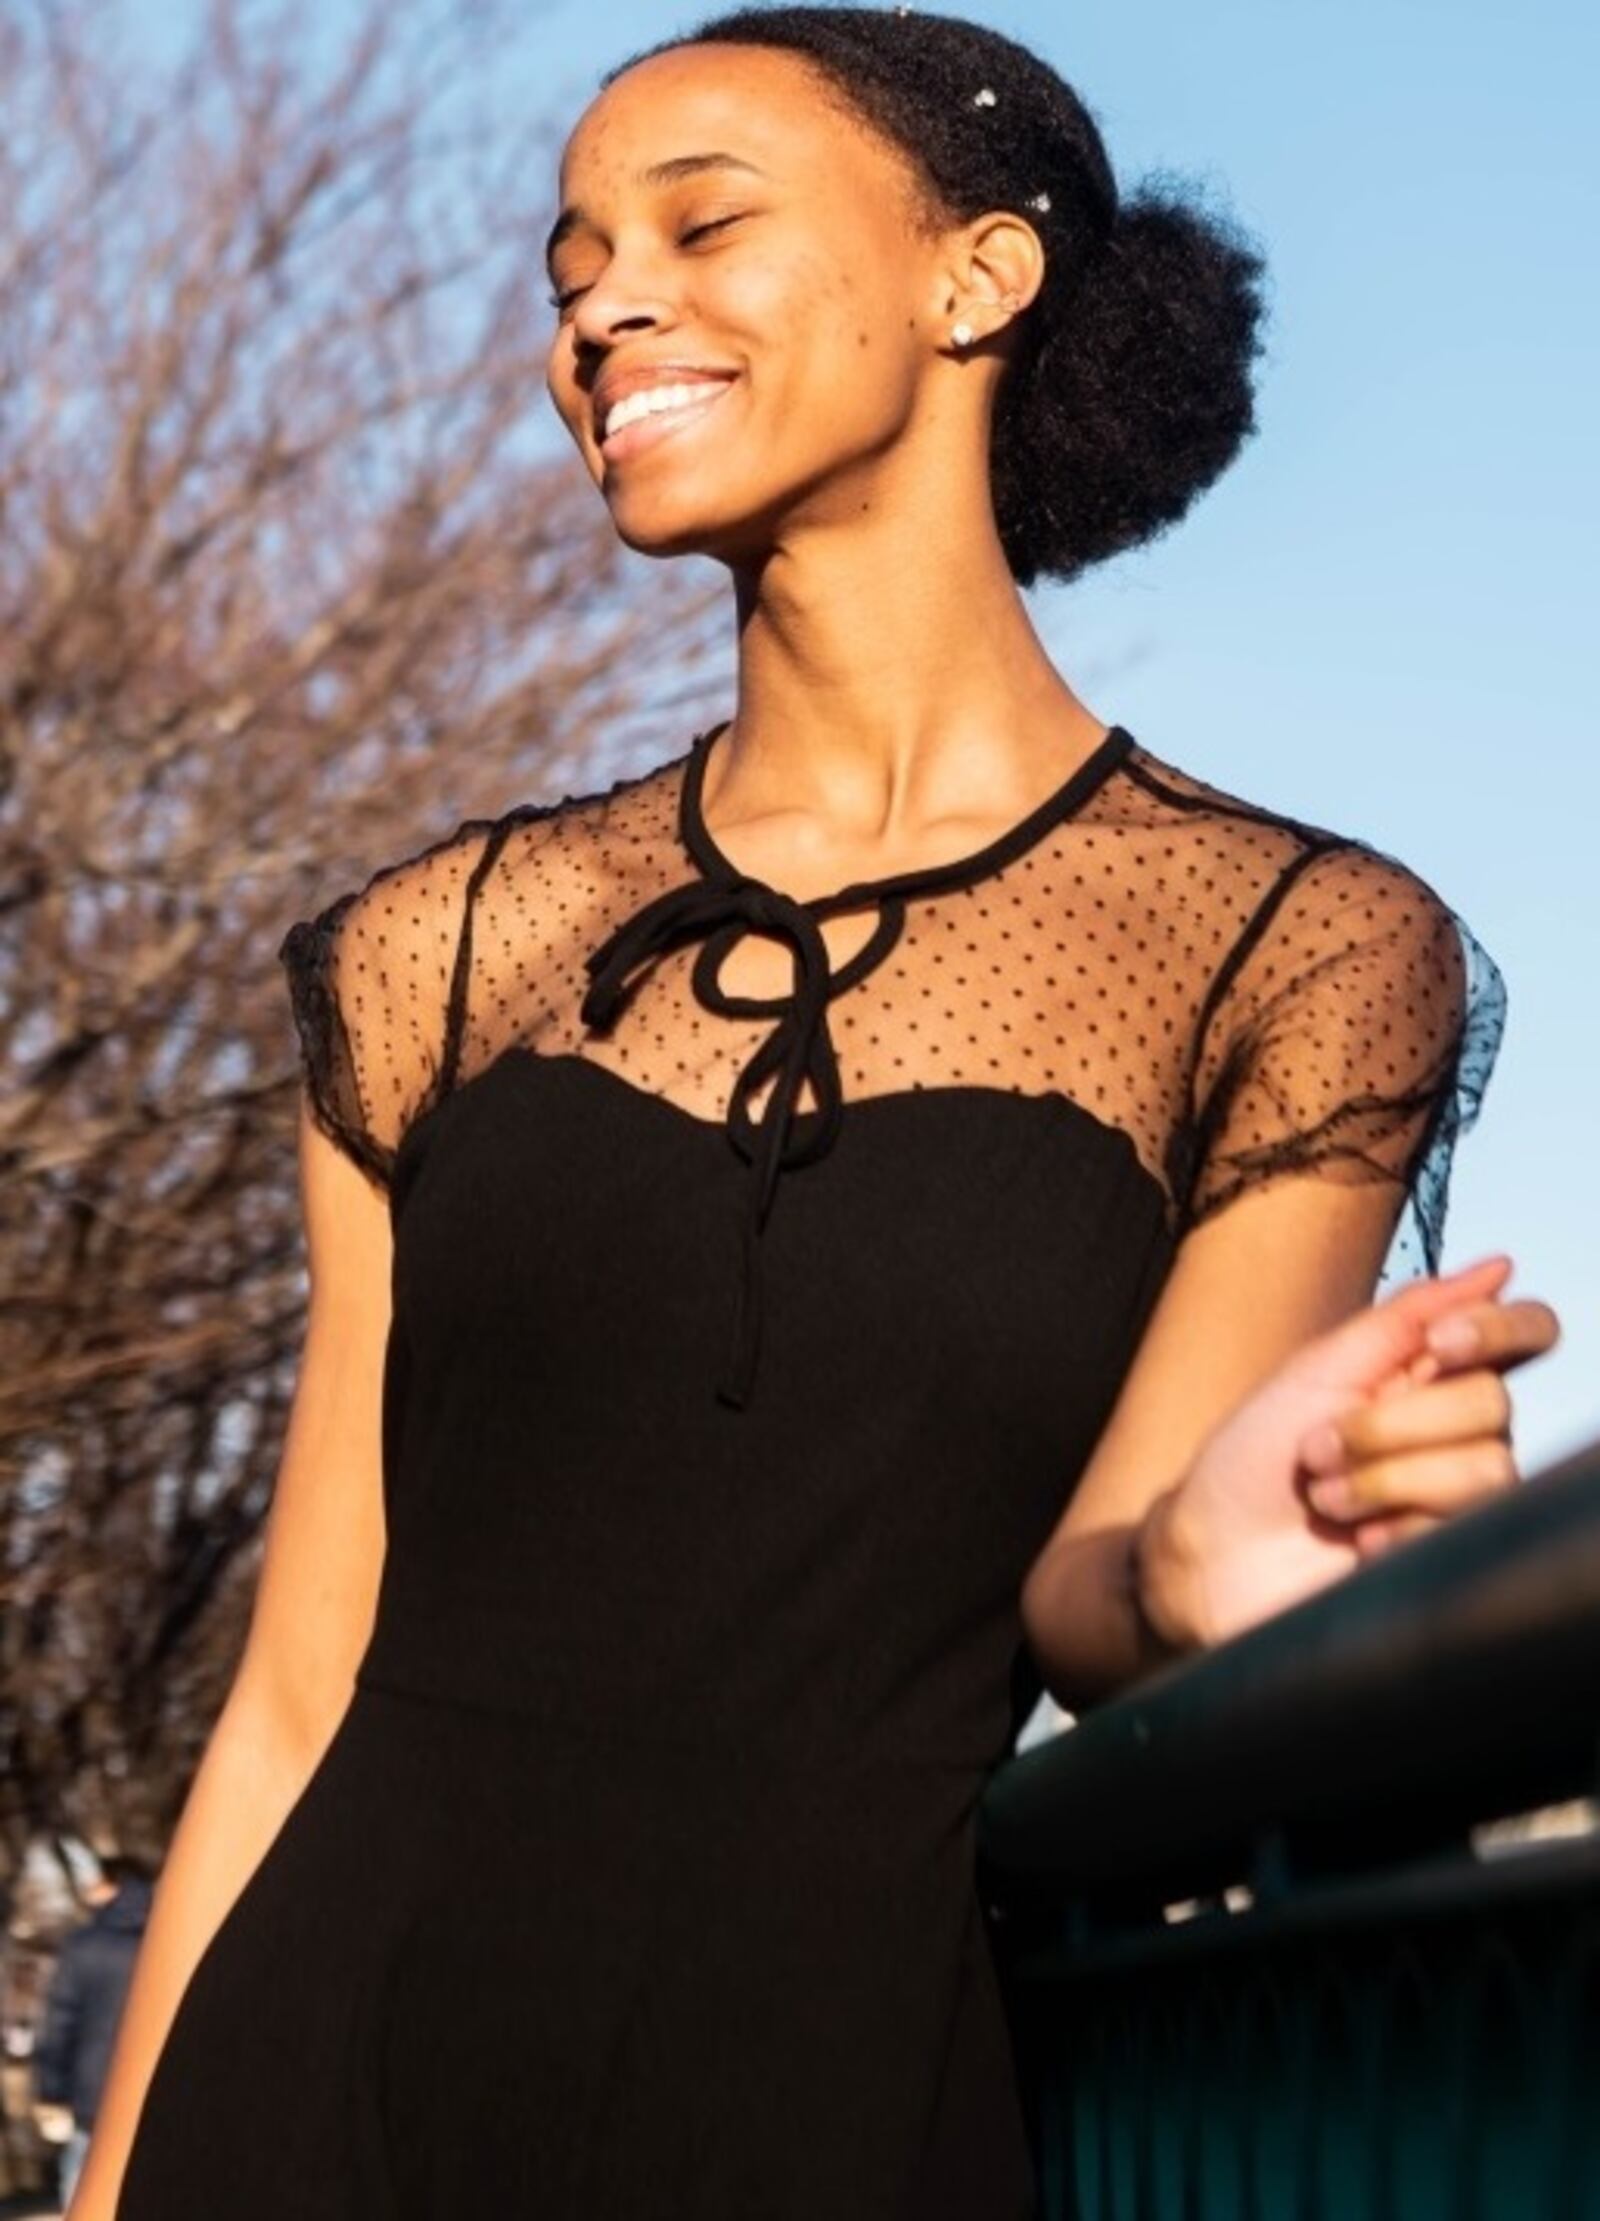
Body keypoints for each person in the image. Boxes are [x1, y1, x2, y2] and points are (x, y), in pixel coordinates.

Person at [76, 10, 1560, 2218]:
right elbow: (303, 1684)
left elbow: (1097, 1597)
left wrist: (1212, 1550)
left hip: (834, 2103)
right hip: (324, 2087)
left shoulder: (1296, 948)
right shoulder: (431, 949)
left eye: (700, 223)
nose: (602, 301)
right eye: (568, 259)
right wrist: (113, 2190)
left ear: (975, 280)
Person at [30, 1855, 153, 2213]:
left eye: (96, 1882)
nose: (89, 1890)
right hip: (159, 2089)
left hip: (93, 2096)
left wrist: (50, 2092)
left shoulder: (85, 1946)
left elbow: (60, 2021)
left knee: (84, 2189)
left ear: (114, 1886)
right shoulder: (168, 1936)